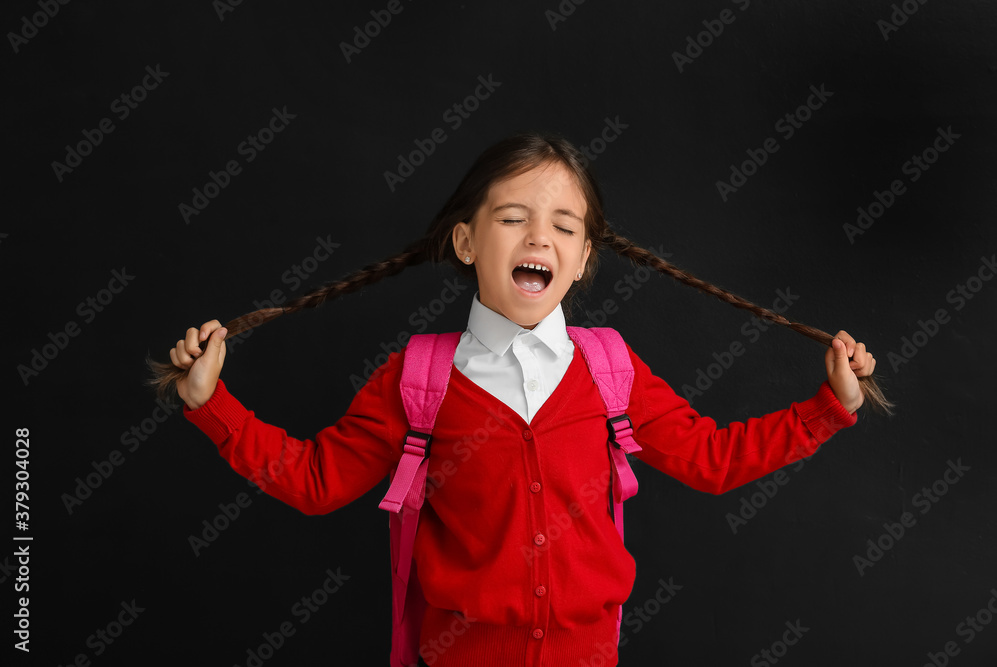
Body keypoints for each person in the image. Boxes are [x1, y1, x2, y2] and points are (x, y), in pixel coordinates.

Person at [148, 133, 886, 666]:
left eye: (564, 225)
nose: (540, 235)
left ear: (584, 258)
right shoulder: (418, 379)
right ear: (466, 243)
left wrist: (828, 406)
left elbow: (713, 459)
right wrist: (212, 403)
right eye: (513, 218)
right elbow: (316, 480)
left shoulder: (611, 368)